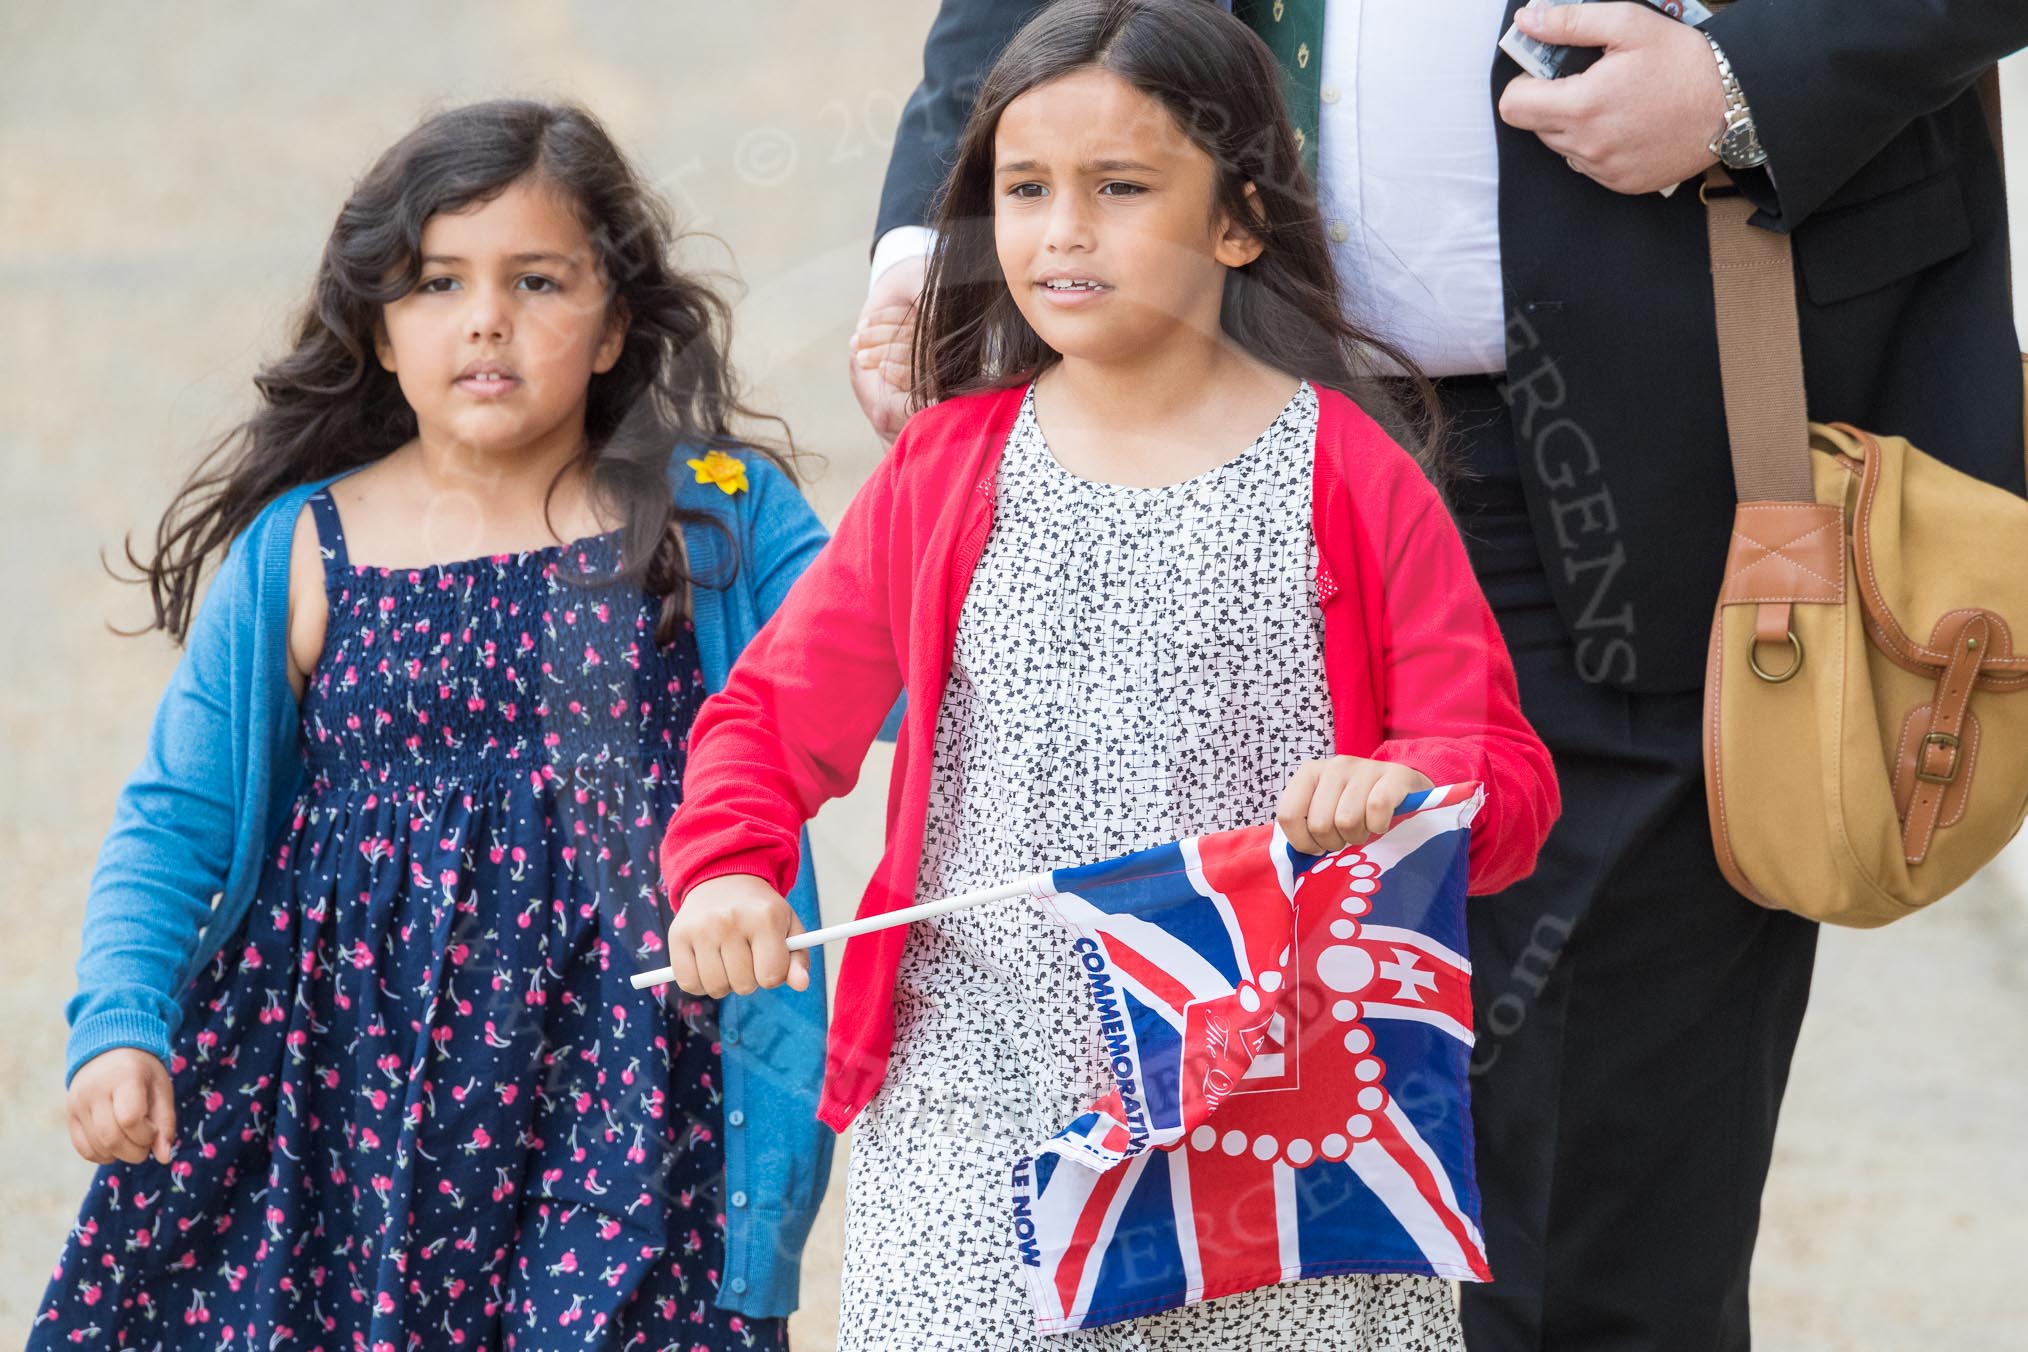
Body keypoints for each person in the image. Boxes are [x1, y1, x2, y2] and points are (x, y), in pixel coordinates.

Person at [853, 2, 2028, 1347]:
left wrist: (1745, 73)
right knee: (1209, 1239)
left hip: (1674, 455)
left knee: (1598, 1251)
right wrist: (945, 231)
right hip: (1193, 460)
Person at [661, 3, 1559, 1347]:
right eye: (1026, 191)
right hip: (976, 1101)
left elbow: (1504, 780)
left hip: (1268, 1108)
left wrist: (1405, 785)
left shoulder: (1356, 476)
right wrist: (728, 863)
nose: (1061, 230)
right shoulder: (944, 470)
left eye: (1119, 188)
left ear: (1241, 221)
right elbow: (768, 723)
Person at [38, 99, 831, 1347]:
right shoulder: (305, 545)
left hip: (631, 1090)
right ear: (378, 325)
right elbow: (173, 819)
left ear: (616, 320)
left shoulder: (712, 521)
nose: (486, 317)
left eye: (537, 280)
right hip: (334, 1105)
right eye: (435, 281)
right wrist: (119, 1022)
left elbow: (889, 665)